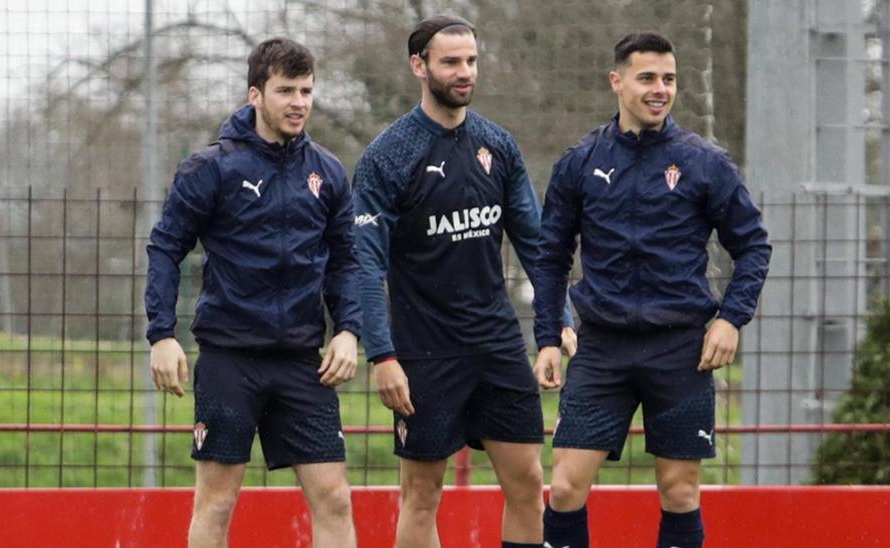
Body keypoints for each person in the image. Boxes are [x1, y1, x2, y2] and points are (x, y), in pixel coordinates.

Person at [532, 31, 771, 548]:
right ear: (617, 82)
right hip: (601, 349)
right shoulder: (581, 161)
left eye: (668, 79)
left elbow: (753, 245)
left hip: (680, 351)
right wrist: (549, 336)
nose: (659, 89)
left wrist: (731, 318)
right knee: (567, 485)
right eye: (647, 78)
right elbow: (550, 257)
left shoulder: (704, 162)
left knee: (680, 490)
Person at [352, 15, 577, 548]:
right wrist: (381, 355)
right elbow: (365, 264)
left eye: (471, 61)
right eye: (450, 62)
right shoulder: (389, 156)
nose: (464, 72)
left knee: (527, 484)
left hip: (496, 344)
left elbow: (538, 244)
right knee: (422, 495)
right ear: (419, 66)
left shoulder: (497, 146)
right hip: (424, 353)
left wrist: (557, 322)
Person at [145, 37, 361, 548]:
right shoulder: (212, 168)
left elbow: (347, 260)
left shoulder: (327, 172)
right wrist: (161, 334)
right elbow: (164, 247)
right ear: (255, 96)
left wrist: (349, 330)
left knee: (334, 498)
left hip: (302, 362)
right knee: (216, 502)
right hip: (229, 358)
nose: (298, 102)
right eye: (285, 90)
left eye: (306, 90)